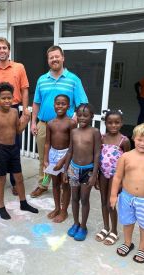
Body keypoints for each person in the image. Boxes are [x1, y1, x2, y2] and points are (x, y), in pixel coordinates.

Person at [30, 45, 88, 198]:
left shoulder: (73, 79)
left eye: (57, 56)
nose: (54, 59)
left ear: (63, 58)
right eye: (51, 57)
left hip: (65, 128)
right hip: (44, 125)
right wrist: (33, 122)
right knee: (44, 157)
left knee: (67, 157)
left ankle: (64, 185)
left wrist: (75, 118)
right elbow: (36, 102)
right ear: (48, 60)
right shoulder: (42, 80)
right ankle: (43, 184)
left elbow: (82, 103)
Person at [110, 123, 144, 263]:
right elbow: (117, 176)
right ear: (134, 138)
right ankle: (128, 243)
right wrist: (113, 195)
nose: (142, 143)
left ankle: (142, 248)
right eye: (139, 140)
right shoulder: (126, 156)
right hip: (126, 197)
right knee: (127, 222)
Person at [0, 37, 29, 195]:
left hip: (14, 109)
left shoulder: (19, 67)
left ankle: (14, 182)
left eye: (4, 48)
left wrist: (25, 111)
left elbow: (24, 89)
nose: (1, 50)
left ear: (9, 50)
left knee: (13, 145)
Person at [0, 82, 38, 220]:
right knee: (1, 179)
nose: (7, 100)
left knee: (19, 178)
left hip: (14, 149)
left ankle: (23, 203)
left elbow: (17, 131)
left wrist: (26, 120)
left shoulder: (15, 112)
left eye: (9, 98)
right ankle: (1, 207)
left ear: (13, 98)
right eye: (3, 98)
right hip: (0, 150)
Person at [64, 103, 101, 241]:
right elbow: (70, 151)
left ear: (92, 116)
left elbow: (97, 154)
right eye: (79, 115)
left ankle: (83, 226)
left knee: (84, 199)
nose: (82, 118)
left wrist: (95, 174)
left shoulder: (95, 132)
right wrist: (65, 170)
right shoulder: (74, 132)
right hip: (73, 169)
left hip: (88, 170)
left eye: (85, 115)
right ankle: (75, 223)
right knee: (74, 198)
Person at [95, 109, 130, 245]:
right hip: (103, 174)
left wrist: (123, 181)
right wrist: (97, 176)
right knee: (103, 201)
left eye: (117, 123)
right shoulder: (102, 138)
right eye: (110, 123)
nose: (113, 125)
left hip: (116, 177)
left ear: (121, 123)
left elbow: (128, 162)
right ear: (105, 123)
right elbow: (98, 158)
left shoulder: (124, 141)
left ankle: (114, 231)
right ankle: (106, 227)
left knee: (111, 203)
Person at [43, 94, 76, 223]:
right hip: (53, 154)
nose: (60, 106)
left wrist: (63, 161)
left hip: (66, 155)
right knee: (55, 184)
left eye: (63, 103)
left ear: (68, 106)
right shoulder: (50, 123)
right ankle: (57, 208)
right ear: (54, 105)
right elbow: (47, 143)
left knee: (65, 184)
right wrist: (45, 160)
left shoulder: (71, 123)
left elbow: (72, 145)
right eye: (58, 103)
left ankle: (64, 211)